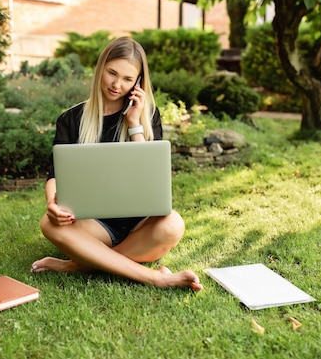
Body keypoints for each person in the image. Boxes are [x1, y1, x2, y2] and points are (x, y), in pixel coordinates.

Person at [31, 36, 202, 291]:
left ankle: (77, 265)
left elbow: (148, 176)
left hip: (141, 223)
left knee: (173, 224)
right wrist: (51, 203)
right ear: (101, 68)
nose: (116, 84)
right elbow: (55, 173)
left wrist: (134, 124)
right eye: (112, 73)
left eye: (127, 79)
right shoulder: (70, 119)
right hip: (94, 223)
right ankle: (155, 278)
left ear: (138, 83)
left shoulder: (148, 116)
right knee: (49, 223)